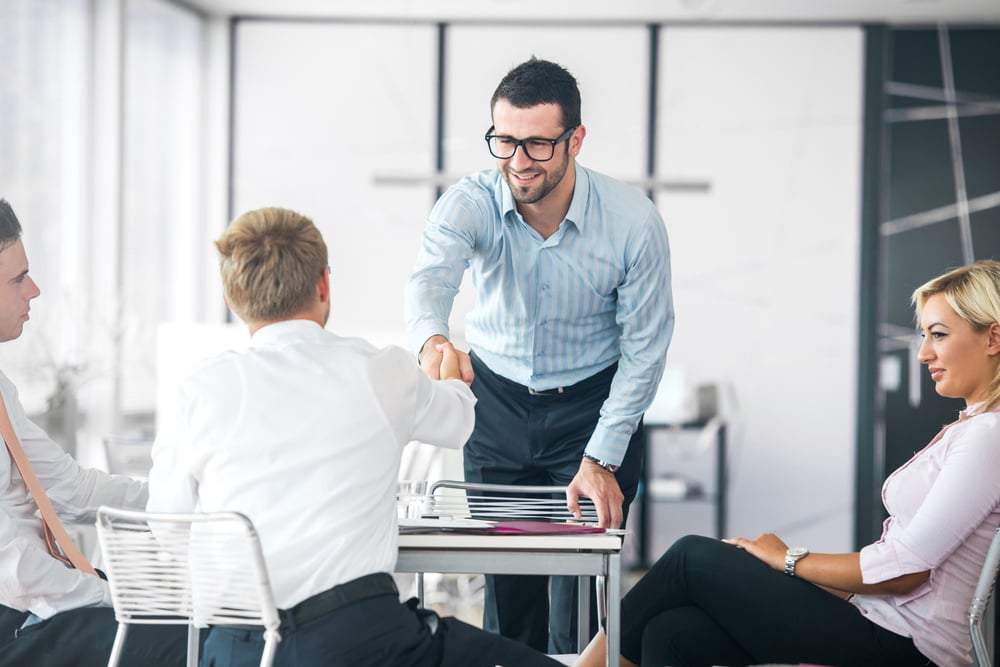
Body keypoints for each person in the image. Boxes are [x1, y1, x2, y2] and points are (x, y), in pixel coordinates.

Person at [146, 206, 562, 667]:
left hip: (234, 649)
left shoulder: (199, 388)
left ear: (232, 296)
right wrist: (446, 374)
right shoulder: (378, 370)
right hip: (360, 641)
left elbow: (168, 527)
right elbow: (458, 422)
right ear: (324, 284)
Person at [574, 259, 1000, 667]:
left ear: (993, 339)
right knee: (671, 632)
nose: (923, 353)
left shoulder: (987, 436)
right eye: (924, 335)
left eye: (939, 335)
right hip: (879, 620)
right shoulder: (972, 429)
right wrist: (788, 569)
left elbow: (906, 570)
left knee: (689, 557)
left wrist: (788, 559)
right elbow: (898, 563)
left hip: (906, 645)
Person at [404, 56, 674, 653]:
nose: (518, 163)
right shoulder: (471, 202)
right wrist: (432, 338)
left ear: (575, 139)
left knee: (576, 604)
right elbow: (430, 280)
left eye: (537, 145)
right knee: (508, 596)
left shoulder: (633, 224)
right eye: (504, 142)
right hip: (496, 405)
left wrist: (602, 457)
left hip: (591, 411)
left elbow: (645, 350)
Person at [0, 198, 189, 666]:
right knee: (198, 642)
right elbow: (15, 571)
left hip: (38, 605)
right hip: (16, 620)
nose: (35, 290)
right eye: (18, 279)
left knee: (202, 628)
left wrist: (187, 500)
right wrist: (113, 595)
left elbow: (70, 491)